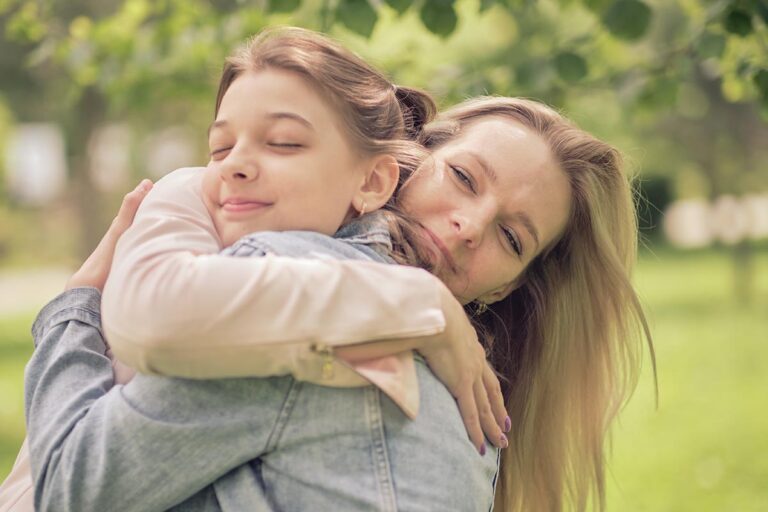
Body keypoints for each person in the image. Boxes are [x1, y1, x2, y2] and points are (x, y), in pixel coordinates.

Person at [15, 32, 653, 512]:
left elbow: (68, 488)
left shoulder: (309, 297)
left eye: (511, 237)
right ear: (407, 160)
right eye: (462, 178)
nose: (469, 226)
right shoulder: (474, 402)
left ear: (508, 284)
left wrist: (74, 308)